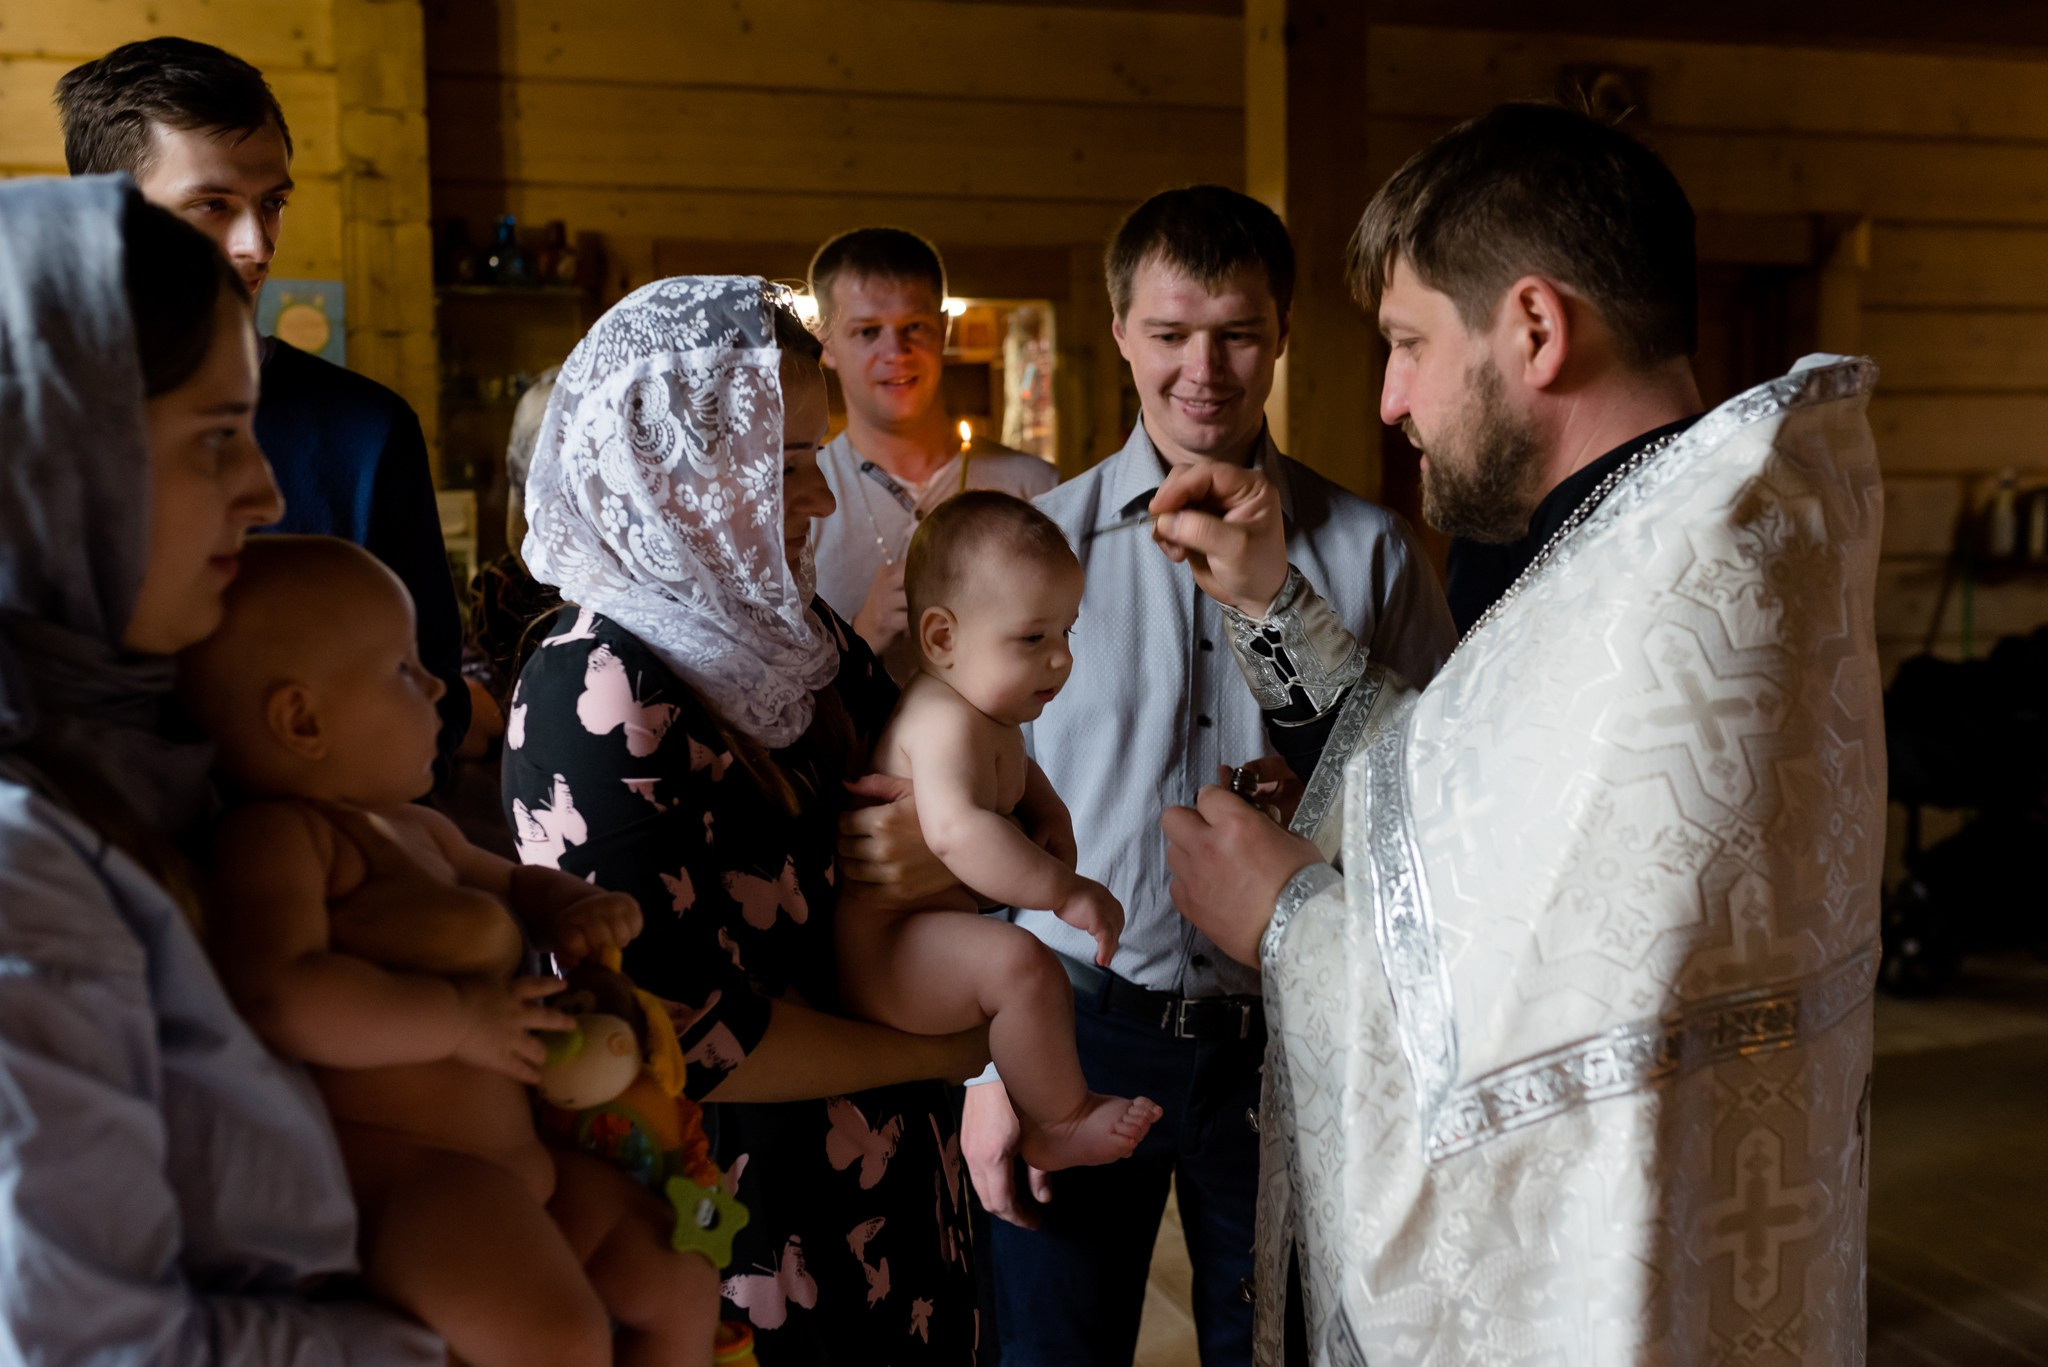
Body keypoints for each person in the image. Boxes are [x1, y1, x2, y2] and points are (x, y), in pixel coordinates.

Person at [1152, 103, 1883, 1365]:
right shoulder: (1688, 537)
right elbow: (1468, 795)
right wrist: (1271, 603)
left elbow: (1514, 1071)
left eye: (1405, 343)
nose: (1387, 399)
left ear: (1534, 329)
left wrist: (1281, 919)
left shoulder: (1660, 596)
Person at [970, 185, 1459, 1367]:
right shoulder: (1034, 548)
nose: (1204, 368)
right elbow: (971, 811)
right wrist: (984, 1060)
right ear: (1120, 330)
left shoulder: (1372, 552)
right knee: (1048, 1349)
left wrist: (1326, 811)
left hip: (1288, 1048)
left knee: (1281, 1349)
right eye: (1172, 332)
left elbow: (1439, 808)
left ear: (1282, 333)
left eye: (1237, 332)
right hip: (1074, 1034)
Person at [506, 274, 989, 1364]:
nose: (818, 497)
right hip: (738, 1211)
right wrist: (945, 1045)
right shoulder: (595, 688)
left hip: (889, 1168)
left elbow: (941, 817)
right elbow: (677, 1021)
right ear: (664, 473)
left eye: (815, 457)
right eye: (779, 466)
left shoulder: (796, 636)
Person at [0, 175, 440, 1363]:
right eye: (212, 438)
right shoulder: (15, 861)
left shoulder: (144, 749)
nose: (266, 490)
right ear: (46, 452)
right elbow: (98, 1343)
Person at [179, 535, 721, 1367]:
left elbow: (512, 884)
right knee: (559, 1338)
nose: (437, 686)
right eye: (402, 669)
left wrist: (568, 907)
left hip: (520, 1163)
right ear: (302, 720)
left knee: (678, 1279)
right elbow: (279, 996)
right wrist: (459, 1019)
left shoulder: (419, 828)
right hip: (421, 1186)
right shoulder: (282, 837)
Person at [56, 36, 471, 764]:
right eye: (211, 205)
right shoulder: (35, 423)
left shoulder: (368, 432)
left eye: (272, 203)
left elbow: (435, 704)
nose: (257, 244)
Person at [840, 492, 1162, 1172]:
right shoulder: (942, 720)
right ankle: (1056, 1119)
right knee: (1025, 965)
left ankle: (1052, 1113)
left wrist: (1052, 820)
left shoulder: (989, 718)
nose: (1061, 660)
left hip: (926, 936)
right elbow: (957, 832)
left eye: (1066, 633)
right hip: (886, 951)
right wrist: (1062, 890)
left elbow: (1024, 786)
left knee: (1023, 969)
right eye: (1032, 638)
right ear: (941, 638)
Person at [806, 227, 1059, 678]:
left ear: (943, 328)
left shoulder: (1036, 488)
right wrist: (861, 636)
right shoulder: (801, 497)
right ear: (825, 343)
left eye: (914, 327)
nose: (896, 353)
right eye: (867, 332)